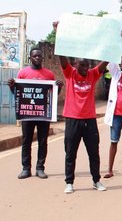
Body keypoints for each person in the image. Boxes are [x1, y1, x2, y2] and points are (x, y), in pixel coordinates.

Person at [8, 48, 63, 179]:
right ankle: (26, 168)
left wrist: (58, 87)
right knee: (26, 140)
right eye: (35, 56)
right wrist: (11, 86)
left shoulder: (49, 74)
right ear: (30, 58)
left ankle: (40, 168)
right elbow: (18, 94)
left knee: (43, 141)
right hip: (27, 114)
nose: (37, 58)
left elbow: (53, 94)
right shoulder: (23, 73)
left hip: (43, 114)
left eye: (39, 56)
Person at [59, 56, 109, 194]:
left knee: (94, 153)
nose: (85, 69)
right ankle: (69, 182)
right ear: (75, 65)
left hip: (89, 120)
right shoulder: (70, 73)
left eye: (87, 66)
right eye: (82, 65)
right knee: (70, 153)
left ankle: (96, 180)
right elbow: (62, 59)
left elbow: (105, 62)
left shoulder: (92, 74)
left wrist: (115, 44)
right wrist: (60, 38)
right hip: (72, 119)